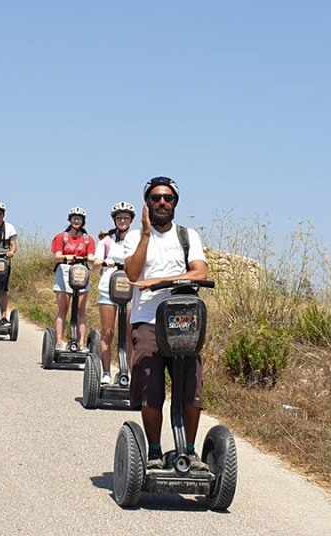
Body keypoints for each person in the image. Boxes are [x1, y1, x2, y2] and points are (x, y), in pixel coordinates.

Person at [124, 176, 210, 471]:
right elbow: (133, 274)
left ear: (175, 203)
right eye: (156, 198)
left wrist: (163, 280)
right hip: (148, 320)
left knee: (191, 387)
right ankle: (155, 451)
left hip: (183, 320)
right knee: (151, 389)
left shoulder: (188, 236)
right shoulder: (135, 238)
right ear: (147, 204)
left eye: (168, 198)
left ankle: (189, 451)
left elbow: (199, 272)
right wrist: (147, 235)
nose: (162, 202)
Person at [93, 201, 136, 385]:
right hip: (108, 289)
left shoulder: (136, 239)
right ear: (114, 220)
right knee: (108, 332)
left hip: (130, 291)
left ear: (131, 220)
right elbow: (94, 263)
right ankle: (106, 373)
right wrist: (104, 262)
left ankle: (130, 374)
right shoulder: (106, 241)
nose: (123, 221)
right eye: (119, 218)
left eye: (126, 218)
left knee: (130, 334)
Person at [51, 207, 95, 351]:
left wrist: (91, 259)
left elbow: (91, 258)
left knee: (80, 311)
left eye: (80, 219)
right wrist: (66, 257)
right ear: (70, 220)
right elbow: (57, 256)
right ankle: (58, 342)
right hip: (64, 271)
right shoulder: (61, 237)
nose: (77, 221)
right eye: (74, 218)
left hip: (81, 272)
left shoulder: (88, 239)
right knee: (62, 309)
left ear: (83, 222)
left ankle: (81, 343)